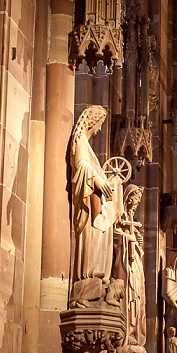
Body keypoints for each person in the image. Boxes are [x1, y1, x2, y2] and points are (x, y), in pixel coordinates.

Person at [70, 105, 124, 306]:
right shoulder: (81, 142)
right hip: (88, 211)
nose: (100, 130)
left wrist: (112, 182)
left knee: (101, 244)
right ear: (92, 121)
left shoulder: (88, 145)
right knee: (92, 244)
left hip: (96, 206)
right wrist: (99, 181)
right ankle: (87, 282)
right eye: (99, 124)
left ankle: (98, 282)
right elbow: (81, 167)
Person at [114, 184, 147, 347]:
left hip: (135, 265)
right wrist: (128, 238)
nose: (136, 202)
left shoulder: (132, 221)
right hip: (124, 262)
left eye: (139, 200)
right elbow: (114, 237)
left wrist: (138, 242)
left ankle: (133, 331)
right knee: (127, 296)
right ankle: (124, 332)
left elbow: (139, 251)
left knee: (136, 298)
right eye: (134, 198)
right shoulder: (119, 218)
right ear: (127, 198)